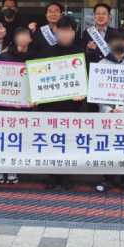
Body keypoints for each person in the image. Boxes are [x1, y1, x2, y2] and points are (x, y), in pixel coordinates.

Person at [38, 16, 86, 190]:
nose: (65, 34)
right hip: (50, 107)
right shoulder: (46, 53)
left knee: (68, 142)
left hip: (71, 107)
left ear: (74, 32)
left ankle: (66, 175)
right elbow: (38, 79)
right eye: (62, 30)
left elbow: (87, 80)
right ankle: (51, 175)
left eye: (69, 30)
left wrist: (82, 94)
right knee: (51, 141)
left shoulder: (81, 53)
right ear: (56, 32)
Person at [94, 29, 124, 194]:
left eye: (121, 41)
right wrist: (108, 109)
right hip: (107, 114)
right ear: (109, 44)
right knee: (108, 146)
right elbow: (96, 92)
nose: (118, 44)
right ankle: (108, 179)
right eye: (114, 41)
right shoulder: (101, 64)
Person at [0, 26, 38, 185]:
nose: (22, 38)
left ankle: (13, 168)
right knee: (1, 137)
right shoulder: (3, 57)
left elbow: (38, 85)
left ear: (30, 39)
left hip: (24, 107)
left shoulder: (36, 59)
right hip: (4, 107)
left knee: (17, 138)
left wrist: (33, 99)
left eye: (26, 35)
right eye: (19, 35)